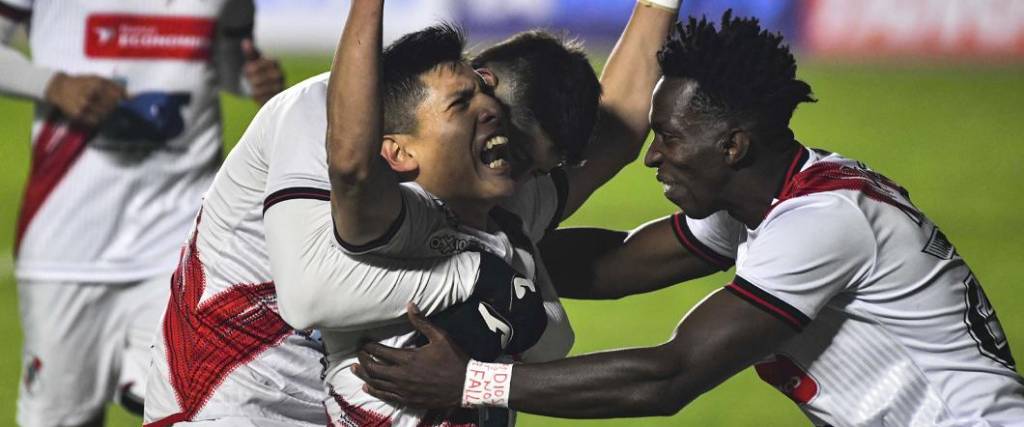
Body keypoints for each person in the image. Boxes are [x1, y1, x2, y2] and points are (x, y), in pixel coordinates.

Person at [352, 11, 1024, 427]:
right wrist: (445, 246)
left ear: (732, 146)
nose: (652, 157)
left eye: (670, 138)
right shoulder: (766, 197)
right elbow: (614, 266)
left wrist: (470, 380)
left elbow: (667, 375)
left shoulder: (822, 223)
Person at [143, 0, 673, 424]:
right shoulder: (317, 113)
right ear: (479, 81)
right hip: (230, 401)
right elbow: (309, 295)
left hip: (353, 396)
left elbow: (618, 132)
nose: (521, 178)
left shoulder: (502, 185)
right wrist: (480, 276)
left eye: (530, 165)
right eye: (497, 136)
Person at [0, 0, 284, 425]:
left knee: (194, 407)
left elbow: (226, 59)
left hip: (182, 241)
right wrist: (53, 84)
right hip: (67, 242)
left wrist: (250, 79)